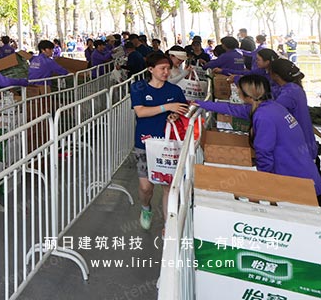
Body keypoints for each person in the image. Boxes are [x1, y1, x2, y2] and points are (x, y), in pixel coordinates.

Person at [192, 75, 321, 205]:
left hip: (298, 183)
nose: (236, 91)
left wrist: (263, 182)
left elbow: (264, 152)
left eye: (238, 89)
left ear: (246, 94)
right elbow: (233, 109)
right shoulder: (271, 107)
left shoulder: (264, 116)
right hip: (304, 174)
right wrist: (201, 104)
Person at [131, 51, 188, 230]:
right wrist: (166, 107)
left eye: (168, 69)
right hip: (145, 144)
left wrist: (175, 114)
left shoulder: (175, 90)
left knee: (168, 187)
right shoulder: (139, 88)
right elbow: (140, 111)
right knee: (146, 187)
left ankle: (168, 225)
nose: (166, 72)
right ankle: (146, 208)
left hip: (168, 145)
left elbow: (183, 110)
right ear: (150, 69)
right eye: (162, 68)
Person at [268, 59, 317, 168]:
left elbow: (270, 113)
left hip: (299, 147)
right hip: (305, 144)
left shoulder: (289, 93)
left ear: (275, 75)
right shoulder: (292, 88)